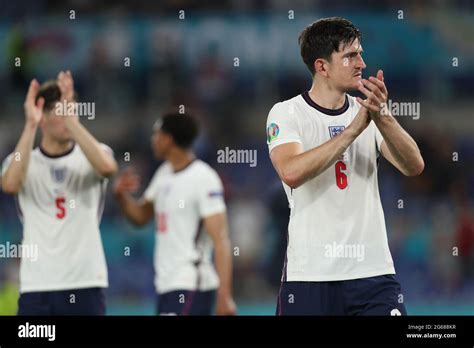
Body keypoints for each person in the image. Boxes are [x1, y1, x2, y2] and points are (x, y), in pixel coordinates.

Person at [266, 17, 424, 315]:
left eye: (360, 54)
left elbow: (414, 166)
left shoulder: (369, 113)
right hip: (311, 275)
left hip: (372, 272)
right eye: (350, 56)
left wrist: (384, 117)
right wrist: (352, 131)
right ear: (322, 66)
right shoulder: (287, 113)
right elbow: (291, 172)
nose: (361, 63)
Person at [1, 71, 117, 315]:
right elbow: (10, 184)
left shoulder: (95, 154)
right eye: (61, 111)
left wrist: (73, 123)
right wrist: (30, 126)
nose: (69, 116)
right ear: (42, 117)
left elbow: (107, 168)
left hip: (85, 282)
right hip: (37, 286)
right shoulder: (20, 160)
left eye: (72, 110)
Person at [113, 112, 236, 315]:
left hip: (191, 282)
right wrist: (121, 197)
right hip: (166, 285)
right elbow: (140, 218)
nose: (153, 140)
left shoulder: (203, 178)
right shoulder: (163, 174)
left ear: (168, 139)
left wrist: (224, 296)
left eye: (156, 135)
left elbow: (221, 240)